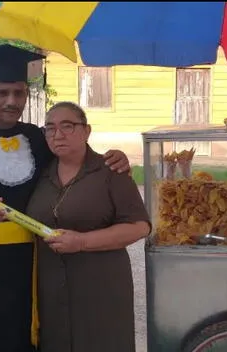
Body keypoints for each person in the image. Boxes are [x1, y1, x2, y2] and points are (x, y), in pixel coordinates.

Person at [0, 45, 131, 352]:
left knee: (28, 337)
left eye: (19, 93)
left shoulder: (38, 138)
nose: (12, 101)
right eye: (2, 93)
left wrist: (115, 157)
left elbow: (77, 159)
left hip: (34, 262)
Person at [25, 101, 151, 352]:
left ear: (86, 131)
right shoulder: (38, 173)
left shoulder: (110, 170)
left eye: (67, 126)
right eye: (49, 128)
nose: (57, 134)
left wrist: (82, 242)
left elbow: (140, 227)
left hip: (100, 288)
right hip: (49, 289)